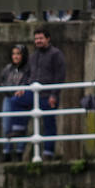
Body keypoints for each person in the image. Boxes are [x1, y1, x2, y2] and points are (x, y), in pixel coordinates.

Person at [27, 27, 66, 158]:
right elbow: (29, 74)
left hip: (48, 94)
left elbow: (60, 76)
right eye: (36, 38)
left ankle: (48, 151)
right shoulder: (33, 56)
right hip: (33, 93)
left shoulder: (56, 54)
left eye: (41, 38)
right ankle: (17, 130)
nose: (38, 41)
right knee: (16, 102)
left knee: (49, 123)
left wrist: (54, 94)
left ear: (47, 39)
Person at [0, 44, 32, 161]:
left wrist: (23, 89)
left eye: (18, 54)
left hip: (21, 99)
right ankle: (6, 152)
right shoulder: (8, 68)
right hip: (9, 98)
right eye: (14, 54)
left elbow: (30, 81)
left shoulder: (28, 68)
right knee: (6, 125)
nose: (16, 56)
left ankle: (19, 152)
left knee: (20, 126)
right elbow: (2, 80)